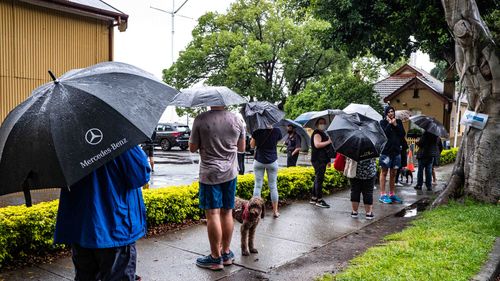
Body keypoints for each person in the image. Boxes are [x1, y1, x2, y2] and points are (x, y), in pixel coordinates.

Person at [54, 146, 150, 280]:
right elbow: (140, 175)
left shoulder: (66, 141)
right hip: (115, 226)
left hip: (81, 229)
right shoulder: (117, 135)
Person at [189, 106, 245, 271]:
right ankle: (226, 253)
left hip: (209, 173)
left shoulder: (201, 119)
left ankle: (215, 258)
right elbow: (241, 148)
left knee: (213, 213)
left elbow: (192, 148)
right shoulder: (237, 120)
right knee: (227, 211)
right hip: (230, 172)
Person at [250, 126, 283, 218]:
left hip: (259, 161)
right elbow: (277, 142)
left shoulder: (257, 130)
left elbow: (252, 145)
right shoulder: (277, 130)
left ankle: (255, 212)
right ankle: (275, 211)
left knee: (257, 185)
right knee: (273, 186)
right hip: (272, 161)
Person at [379, 106, 406, 204]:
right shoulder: (382, 123)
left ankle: (392, 194)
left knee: (393, 173)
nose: (391, 113)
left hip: (396, 151)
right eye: (389, 112)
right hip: (386, 152)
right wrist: (390, 124)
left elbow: (402, 134)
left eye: (392, 111)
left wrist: (395, 124)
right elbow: (384, 134)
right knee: (384, 172)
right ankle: (382, 194)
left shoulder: (398, 122)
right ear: (386, 113)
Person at [310, 118, 332, 208]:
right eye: (320, 123)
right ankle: (319, 200)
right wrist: (329, 141)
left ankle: (314, 197)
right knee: (319, 179)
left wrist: (328, 160)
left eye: (324, 123)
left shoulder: (323, 133)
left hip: (321, 159)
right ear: (316, 124)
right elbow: (317, 145)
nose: (322, 124)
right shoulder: (317, 133)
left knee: (317, 179)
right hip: (318, 159)